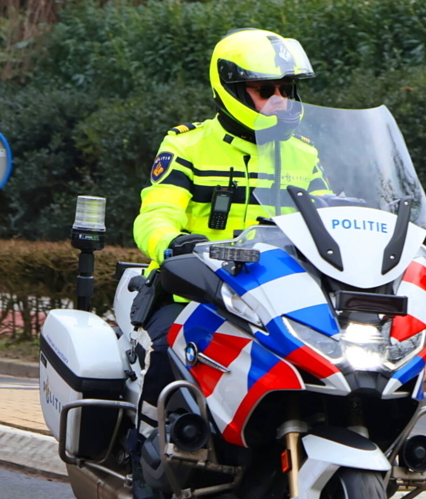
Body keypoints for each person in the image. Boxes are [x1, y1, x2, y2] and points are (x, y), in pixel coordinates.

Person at [133, 27, 329, 427]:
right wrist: (174, 244)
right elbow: (155, 214)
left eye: (287, 89)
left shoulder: (304, 154)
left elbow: (329, 218)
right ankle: (149, 450)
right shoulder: (187, 146)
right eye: (266, 90)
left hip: (275, 293)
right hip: (193, 285)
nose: (281, 101)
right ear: (233, 90)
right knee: (166, 348)